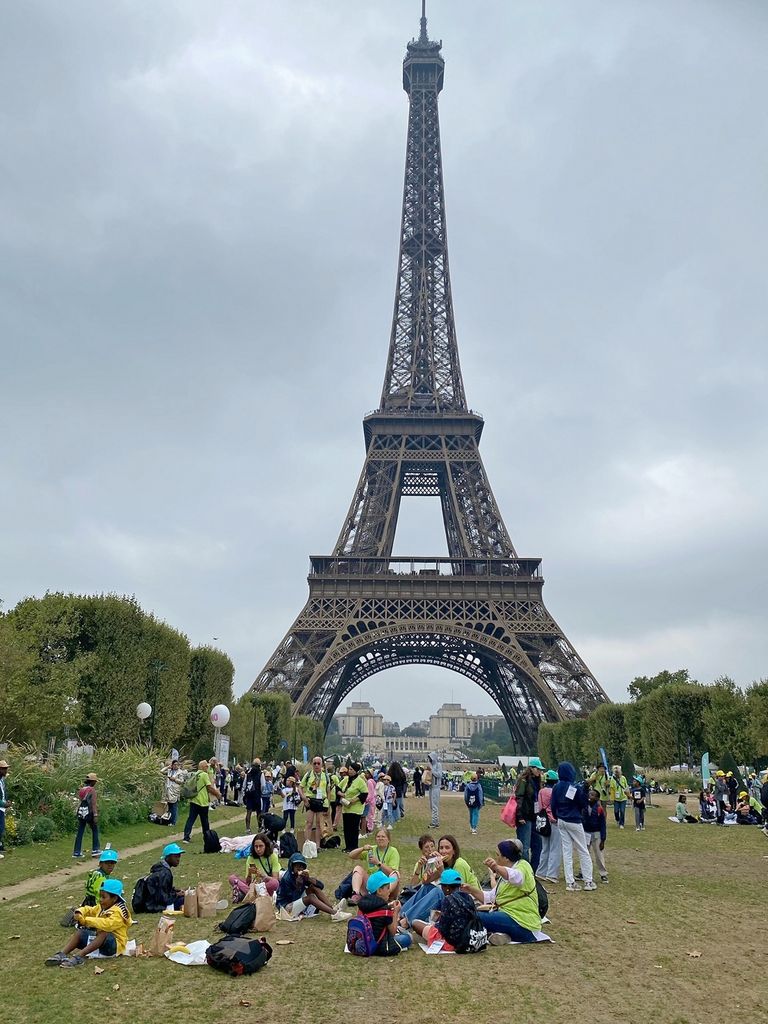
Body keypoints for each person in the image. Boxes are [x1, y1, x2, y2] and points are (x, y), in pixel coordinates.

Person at [466, 838, 542, 945]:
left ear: (506, 858)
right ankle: (502, 935)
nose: (496, 858)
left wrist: (496, 867)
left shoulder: (523, 866)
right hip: (510, 916)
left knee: (474, 917)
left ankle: (495, 933)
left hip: (523, 923)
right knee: (473, 914)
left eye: (497, 855)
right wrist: (470, 889)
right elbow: (489, 897)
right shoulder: (504, 874)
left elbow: (516, 878)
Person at [46, 878, 133, 967]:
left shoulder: (119, 911)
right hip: (99, 942)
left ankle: (79, 957)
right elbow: (90, 909)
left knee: (104, 932)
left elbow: (107, 924)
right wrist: (79, 912)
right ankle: (62, 954)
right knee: (80, 933)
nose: (100, 899)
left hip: (114, 946)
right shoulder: (102, 907)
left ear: (114, 898)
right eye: (100, 896)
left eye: (103, 897)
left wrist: (86, 921)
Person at [398, 834, 478, 927]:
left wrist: (441, 871)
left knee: (437, 893)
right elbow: (425, 882)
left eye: (447, 848)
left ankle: (406, 922)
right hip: (452, 901)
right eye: (441, 848)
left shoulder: (459, 864)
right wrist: (429, 865)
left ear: (454, 851)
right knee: (428, 888)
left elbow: (457, 892)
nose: (443, 851)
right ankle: (399, 915)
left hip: (468, 903)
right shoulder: (444, 863)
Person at [550, 761, 595, 891]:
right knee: (583, 850)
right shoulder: (574, 787)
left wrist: (557, 816)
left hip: (561, 820)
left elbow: (553, 805)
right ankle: (588, 881)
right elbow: (583, 803)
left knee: (567, 851)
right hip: (574, 820)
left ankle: (570, 882)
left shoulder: (556, 787)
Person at [410, 869, 478, 952]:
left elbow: (443, 928)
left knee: (415, 923)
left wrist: (436, 922)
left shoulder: (448, 900)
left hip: (451, 942)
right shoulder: (468, 898)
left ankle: (426, 937)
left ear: (447, 888)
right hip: (468, 938)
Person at [276, 852, 350, 922]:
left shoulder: (301, 876)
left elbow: (321, 886)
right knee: (311, 897)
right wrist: (298, 886)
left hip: (296, 900)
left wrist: (308, 879)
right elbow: (291, 899)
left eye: (302, 866)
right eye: (297, 866)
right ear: (292, 866)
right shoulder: (287, 879)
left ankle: (333, 908)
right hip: (286, 908)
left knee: (313, 888)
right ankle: (335, 914)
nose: (300, 868)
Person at [355, 871, 411, 953]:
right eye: (387, 888)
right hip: (380, 945)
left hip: (363, 942)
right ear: (379, 891)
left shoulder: (362, 904)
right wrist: (396, 912)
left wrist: (388, 906)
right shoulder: (384, 910)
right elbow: (393, 932)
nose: (389, 891)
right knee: (407, 938)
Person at [347, 828, 401, 904]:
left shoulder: (393, 851)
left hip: (386, 884)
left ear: (388, 840)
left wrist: (378, 863)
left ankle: (385, 895)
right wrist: (362, 849)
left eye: (383, 836)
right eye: (378, 836)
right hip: (372, 885)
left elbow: (392, 872)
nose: (380, 838)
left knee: (396, 873)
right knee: (358, 868)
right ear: (375, 839)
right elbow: (351, 855)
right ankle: (356, 894)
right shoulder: (371, 849)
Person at [229, 833, 281, 901]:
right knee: (232, 878)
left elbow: (275, 879)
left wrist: (264, 876)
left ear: (266, 846)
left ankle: (248, 894)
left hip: (266, 884)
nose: (258, 849)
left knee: (275, 883)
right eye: (256, 846)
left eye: (261, 846)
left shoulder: (272, 856)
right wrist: (249, 874)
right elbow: (248, 882)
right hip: (254, 885)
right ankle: (254, 895)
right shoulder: (251, 858)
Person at [136, 842, 186, 912]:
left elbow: (163, 889)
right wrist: (177, 894)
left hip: (150, 903)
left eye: (179, 856)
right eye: (175, 856)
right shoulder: (164, 873)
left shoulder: (160, 868)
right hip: (155, 906)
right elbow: (163, 898)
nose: (178, 859)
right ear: (168, 857)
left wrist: (176, 891)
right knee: (187, 898)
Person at [514, 758, 544, 871]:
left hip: (534, 816)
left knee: (538, 845)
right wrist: (520, 815)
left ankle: (533, 870)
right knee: (524, 847)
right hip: (525, 817)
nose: (539, 771)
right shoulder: (524, 780)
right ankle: (524, 871)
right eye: (537, 769)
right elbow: (519, 798)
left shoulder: (537, 781)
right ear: (531, 768)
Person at [182, 760, 220, 843]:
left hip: (194, 800)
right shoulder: (204, 775)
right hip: (202, 801)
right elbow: (209, 787)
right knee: (205, 821)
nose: (207, 767)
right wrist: (217, 794)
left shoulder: (195, 774)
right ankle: (207, 837)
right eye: (206, 766)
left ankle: (186, 837)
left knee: (191, 819)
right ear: (202, 767)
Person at [536, 769, 562, 883]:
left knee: (545, 848)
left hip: (543, 821)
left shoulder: (541, 791)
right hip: (554, 821)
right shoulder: (555, 792)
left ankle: (541, 872)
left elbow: (539, 806)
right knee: (555, 848)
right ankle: (552, 874)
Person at [301, 755, 331, 848]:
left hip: (321, 801)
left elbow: (328, 791)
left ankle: (317, 846)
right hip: (310, 801)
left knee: (319, 824)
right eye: (314, 763)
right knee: (309, 823)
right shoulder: (308, 774)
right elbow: (300, 787)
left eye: (318, 763)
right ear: (312, 764)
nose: (316, 765)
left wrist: (328, 805)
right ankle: (307, 844)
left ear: (322, 764)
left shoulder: (325, 776)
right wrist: (304, 798)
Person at [339, 762, 369, 853]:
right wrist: (340, 794)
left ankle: (353, 847)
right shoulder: (346, 779)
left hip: (355, 809)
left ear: (356, 771)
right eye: (349, 769)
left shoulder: (360, 781)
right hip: (346, 808)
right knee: (347, 828)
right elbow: (338, 787)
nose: (349, 771)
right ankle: (348, 846)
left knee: (353, 828)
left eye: (351, 769)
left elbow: (364, 793)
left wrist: (354, 800)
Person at [582, 788, 609, 883]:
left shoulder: (599, 809)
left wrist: (603, 839)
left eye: (593, 795)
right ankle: (583, 872)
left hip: (596, 833)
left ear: (597, 798)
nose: (590, 796)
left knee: (599, 855)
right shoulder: (584, 807)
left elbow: (603, 825)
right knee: (584, 853)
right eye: (589, 794)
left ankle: (603, 874)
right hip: (586, 833)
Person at [73, 772, 101, 859]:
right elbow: (93, 804)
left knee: (80, 831)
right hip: (90, 813)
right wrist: (95, 815)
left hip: (82, 812)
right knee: (95, 830)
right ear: (92, 781)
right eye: (95, 781)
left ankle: (77, 852)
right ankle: (95, 850)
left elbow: (80, 800)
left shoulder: (81, 790)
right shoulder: (92, 790)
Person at [161, 759, 186, 826]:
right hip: (168, 790)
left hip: (175, 791)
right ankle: (168, 820)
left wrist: (175, 779)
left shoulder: (180, 772)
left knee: (174, 807)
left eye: (177, 765)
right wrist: (167, 767)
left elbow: (182, 781)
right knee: (169, 807)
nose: (176, 766)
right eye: (174, 764)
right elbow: (161, 771)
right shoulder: (169, 771)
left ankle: (173, 822)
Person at [243, 758, 263, 833]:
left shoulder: (248, 774)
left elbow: (244, 785)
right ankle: (260, 827)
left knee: (249, 812)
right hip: (257, 794)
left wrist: (245, 793)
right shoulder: (260, 773)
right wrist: (260, 792)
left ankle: (248, 828)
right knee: (259, 812)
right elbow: (263, 785)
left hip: (249, 795)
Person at [426, 752, 443, 828]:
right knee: (432, 805)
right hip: (431, 787)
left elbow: (439, 775)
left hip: (436, 787)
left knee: (435, 805)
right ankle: (435, 821)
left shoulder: (438, 765)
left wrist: (432, 770)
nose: (429, 759)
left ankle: (434, 822)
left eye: (430, 758)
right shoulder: (431, 765)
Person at [0, 759, 8, 858]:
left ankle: (0, 846)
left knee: (1, 828)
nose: (6, 771)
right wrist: (3, 804)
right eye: (4, 769)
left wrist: (6, 801)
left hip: (2, 808)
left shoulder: (2, 780)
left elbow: (3, 793)